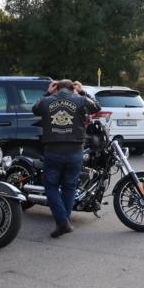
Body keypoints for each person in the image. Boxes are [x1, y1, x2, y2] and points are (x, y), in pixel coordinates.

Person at [32, 79, 101, 237]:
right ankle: (64, 221)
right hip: (75, 150)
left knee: (51, 186)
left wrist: (47, 92)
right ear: (72, 88)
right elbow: (97, 107)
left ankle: (62, 222)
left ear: (56, 88)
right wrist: (82, 91)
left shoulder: (47, 100)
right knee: (69, 187)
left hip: (53, 150)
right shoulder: (80, 99)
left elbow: (34, 109)